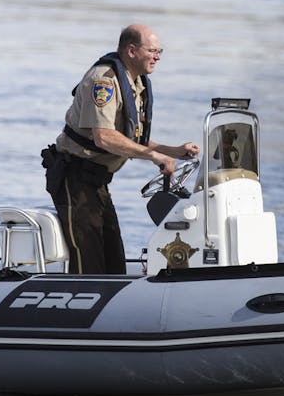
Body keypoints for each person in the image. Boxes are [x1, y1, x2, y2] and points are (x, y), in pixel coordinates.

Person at [42, 24, 200, 274]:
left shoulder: (135, 83)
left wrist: (173, 151)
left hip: (97, 182)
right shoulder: (103, 80)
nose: (158, 56)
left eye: (160, 51)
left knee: (114, 261)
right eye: (152, 50)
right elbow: (103, 137)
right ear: (132, 50)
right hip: (74, 180)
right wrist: (153, 156)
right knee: (89, 262)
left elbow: (128, 137)